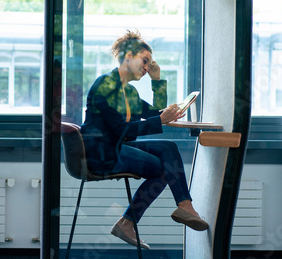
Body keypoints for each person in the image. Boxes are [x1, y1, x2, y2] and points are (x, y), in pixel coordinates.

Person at [80, 30, 208, 250]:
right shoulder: (106, 85)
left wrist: (157, 81)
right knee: (165, 167)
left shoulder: (127, 91)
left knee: (168, 149)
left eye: (149, 64)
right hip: (102, 154)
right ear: (128, 56)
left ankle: (182, 207)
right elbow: (121, 129)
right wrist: (160, 119)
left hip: (115, 147)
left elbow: (153, 112)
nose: (147, 67)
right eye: (145, 61)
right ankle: (130, 221)